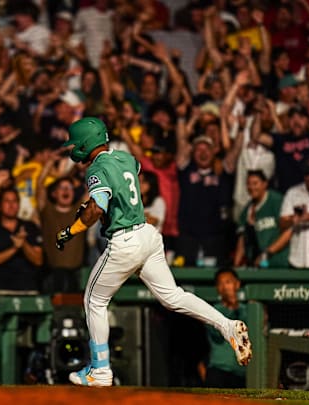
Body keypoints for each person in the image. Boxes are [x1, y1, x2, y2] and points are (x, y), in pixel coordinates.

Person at [56, 117, 252, 387]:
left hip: (125, 241)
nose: (73, 148)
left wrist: (72, 229)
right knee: (173, 296)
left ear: (86, 142)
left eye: (76, 143)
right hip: (147, 234)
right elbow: (124, 186)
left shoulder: (96, 169)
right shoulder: (126, 158)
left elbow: (99, 206)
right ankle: (226, 325)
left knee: (94, 301)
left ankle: (100, 371)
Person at [202, 268, 247, 388]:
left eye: (228, 282)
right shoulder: (212, 310)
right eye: (220, 283)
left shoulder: (248, 309)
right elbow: (217, 334)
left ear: (237, 284)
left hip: (242, 372)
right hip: (218, 370)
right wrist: (231, 307)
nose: (225, 287)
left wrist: (235, 306)